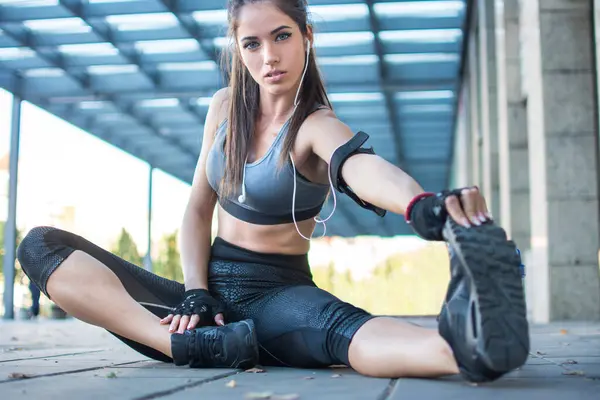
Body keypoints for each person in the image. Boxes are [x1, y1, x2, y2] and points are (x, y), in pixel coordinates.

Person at [16, 0, 529, 383]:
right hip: (207, 305)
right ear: (238, 49)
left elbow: (363, 168)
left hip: (276, 295)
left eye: (281, 36)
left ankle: (460, 348)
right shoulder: (223, 107)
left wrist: (420, 205)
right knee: (40, 245)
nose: (269, 57)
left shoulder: (314, 124)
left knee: (340, 330)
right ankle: (186, 345)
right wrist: (196, 290)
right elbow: (198, 209)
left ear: (306, 36)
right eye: (252, 44)